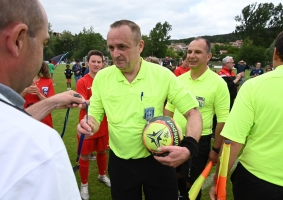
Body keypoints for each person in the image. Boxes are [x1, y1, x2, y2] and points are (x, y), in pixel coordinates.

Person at [77, 19, 203, 200]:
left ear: (140, 45)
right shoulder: (103, 77)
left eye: (122, 46)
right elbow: (95, 113)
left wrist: (189, 147)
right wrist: (88, 124)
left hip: (159, 160)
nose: (115, 53)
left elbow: (193, 112)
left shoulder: (162, 75)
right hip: (121, 163)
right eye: (111, 48)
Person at [0, 0, 83, 199]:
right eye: (44, 43)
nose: (43, 55)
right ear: (18, 40)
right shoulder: (38, 146)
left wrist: (50, 101)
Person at [210, 31, 283, 200]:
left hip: (258, 179)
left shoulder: (254, 87)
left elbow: (232, 142)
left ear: (275, 52)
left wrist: (218, 182)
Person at [164, 38, 230, 200]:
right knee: (174, 173)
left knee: (191, 183)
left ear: (208, 56)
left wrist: (215, 150)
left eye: (198, 52)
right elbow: (168, 110)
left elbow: (222, 120)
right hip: (175, 137)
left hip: (200, 141)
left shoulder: (218, 84)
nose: (191, 56)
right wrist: (166, 135)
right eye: (189, 52)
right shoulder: (178, 80)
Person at [76, 50, 111, 200]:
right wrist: (98, 100)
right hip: (88, 124)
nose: (96, 64)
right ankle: (84, 185)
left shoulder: (107, 80)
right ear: (88, 62)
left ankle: (102, 175)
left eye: (99, 62)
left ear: (103, 63)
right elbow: (81, 104)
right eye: (93, 61)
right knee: (84, 155)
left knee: (102, 151)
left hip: (104, 124)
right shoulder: (82, 81)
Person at [21, 61, 55, 127]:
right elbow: (13, 102)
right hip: (26, 119)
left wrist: (38, 93)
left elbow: (52, 103)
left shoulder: (48, 81)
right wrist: (25, 91)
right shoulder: (22, 82)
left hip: (45, 120)